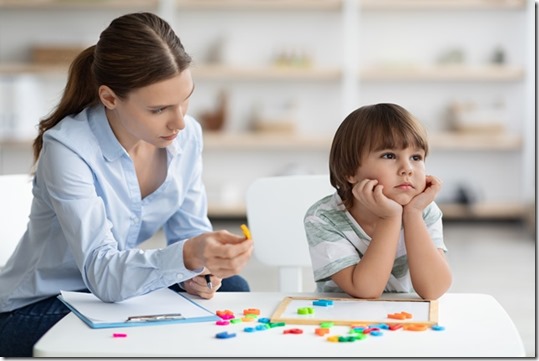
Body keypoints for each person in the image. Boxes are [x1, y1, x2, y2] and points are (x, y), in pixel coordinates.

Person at [0, 12, 253, 357]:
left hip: (117, 292)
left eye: (185, 99)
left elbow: (190, 234)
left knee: (235, 288)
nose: (179, 121)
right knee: (146, 336)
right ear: (109, 98)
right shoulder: (68, 149)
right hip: (38, 307)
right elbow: (102, 272)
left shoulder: (186, 135)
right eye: (159, 108)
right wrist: (187, 255)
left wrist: (201, 270)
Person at [304, 103, 452, 300]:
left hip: (403, 320)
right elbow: (365, 290)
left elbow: (433, 290)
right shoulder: (323, 218)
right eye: (389, 155)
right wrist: (390, 218)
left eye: (416, 157)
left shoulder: (423, 210)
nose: (407, 168)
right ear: (350, 171)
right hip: (343, 320)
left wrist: (413, 215)